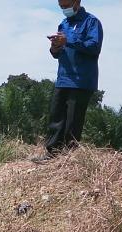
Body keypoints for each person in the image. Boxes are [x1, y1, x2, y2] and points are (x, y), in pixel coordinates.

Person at [41, 0, 103, 158]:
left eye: (66, 5)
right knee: (56, 118)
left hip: (81, 80)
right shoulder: (63, 24)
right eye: (61, 6)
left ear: (77, 2)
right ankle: (52, 153)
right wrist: (55, 47)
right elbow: (58, 53)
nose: (64, 9)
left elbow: (94, 47)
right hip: (63, 78)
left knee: (73, 122)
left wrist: (68, 41)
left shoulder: (91, 22)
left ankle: (69, 157)